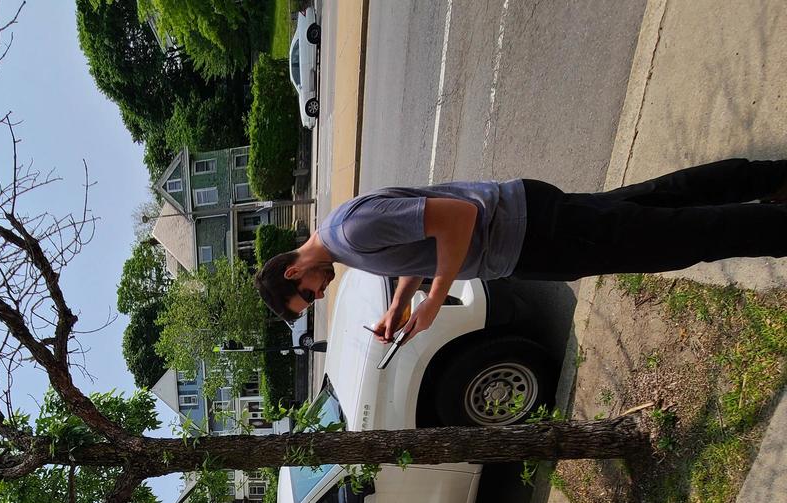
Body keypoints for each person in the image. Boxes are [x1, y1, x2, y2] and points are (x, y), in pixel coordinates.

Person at [255, 158, 787, 344]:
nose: (319, 295)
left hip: (530, 230)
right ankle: (769, 180)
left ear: (295, 268)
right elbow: (420, 249)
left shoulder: (350, 233)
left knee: (672, 239)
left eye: (308, 293)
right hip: (527, 228)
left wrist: (436, 300)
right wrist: (400, 306)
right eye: (313, 301)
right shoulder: (345, 244)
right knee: (657, 204)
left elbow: (457, 218)